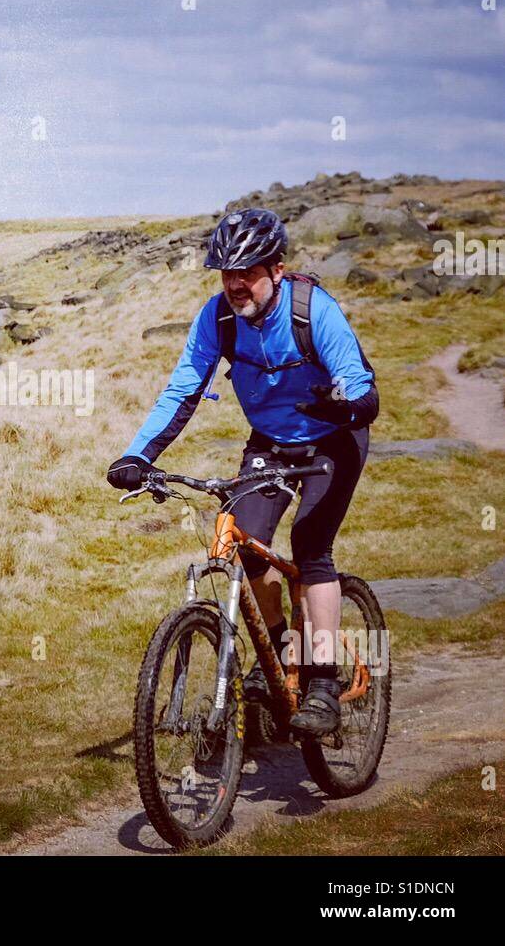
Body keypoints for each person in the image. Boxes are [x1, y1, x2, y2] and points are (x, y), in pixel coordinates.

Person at [107, 208, 378, 736]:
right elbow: (183, 388)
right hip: (271, 444)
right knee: (244, 542)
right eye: (226, 272)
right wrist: (138, 456)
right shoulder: (218, 319)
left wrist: (342, 407)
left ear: (276, 269)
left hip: (333, 440)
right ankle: (279, 651)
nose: (235, 283)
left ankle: (322, 684)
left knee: (310, 545)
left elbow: (362, 389)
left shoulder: (312, 311)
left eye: (247, 271)